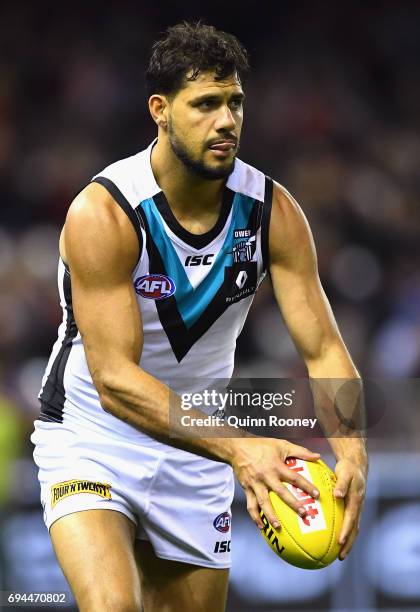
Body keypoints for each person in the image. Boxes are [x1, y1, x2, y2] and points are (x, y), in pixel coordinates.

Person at [31, 21, 367, 612]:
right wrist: (243, 449)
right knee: (113, 606)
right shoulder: (105, 214)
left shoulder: (273, 213)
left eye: (235, 102)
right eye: (206, 104)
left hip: (198, 450)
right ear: (160, 110)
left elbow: (323, 350)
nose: (227, 121)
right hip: (94, 438)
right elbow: (114, 380)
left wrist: (353, 450)